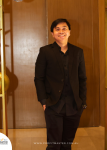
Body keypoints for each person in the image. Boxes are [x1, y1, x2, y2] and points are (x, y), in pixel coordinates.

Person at [34, 18, 87, 150]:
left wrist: (82, 102)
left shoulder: (78, 52)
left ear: (69, 32)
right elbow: (39, 78)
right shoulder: (45, 51)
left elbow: (82, 78)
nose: (61, 31)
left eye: (64, 28)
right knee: (54, 144)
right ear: (52, 33)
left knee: (67, 143)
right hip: (53, 104)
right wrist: (43, 100)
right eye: (57, 29)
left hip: (74, 105)